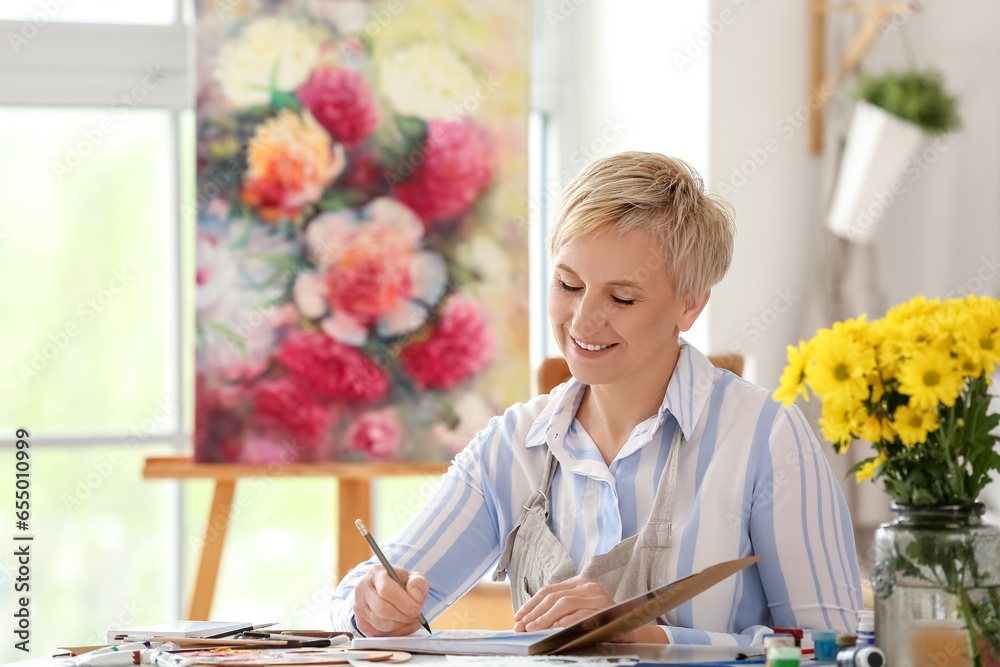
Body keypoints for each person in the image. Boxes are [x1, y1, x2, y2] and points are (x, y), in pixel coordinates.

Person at [331, 152, 862, 646]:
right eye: (567, 285)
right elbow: (358, 598)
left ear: (690, 305)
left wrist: (654, 637)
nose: (583, 321)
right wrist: (373, 610)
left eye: (622, 297)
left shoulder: (766, 439)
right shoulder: (512, 445)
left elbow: (830, 648)